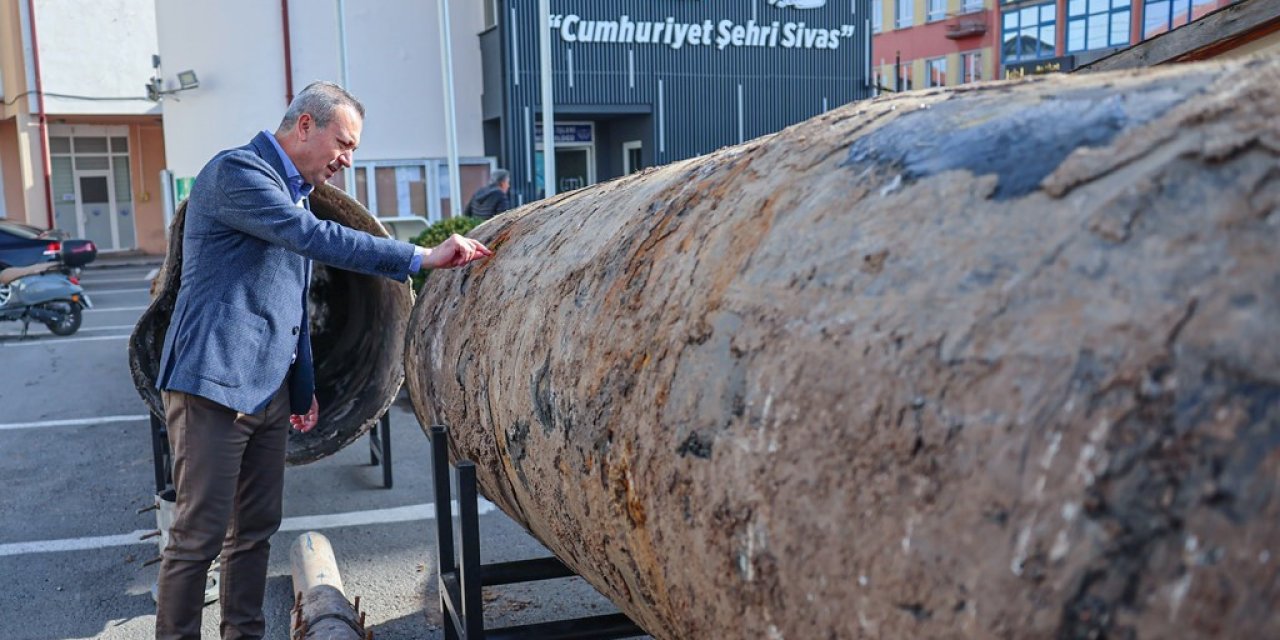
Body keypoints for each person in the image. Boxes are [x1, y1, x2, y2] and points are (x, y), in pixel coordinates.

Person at [152, 81, 491, 640]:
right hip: (212, 386)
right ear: (304, 125)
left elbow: (291, 307)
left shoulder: (296, 192)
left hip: (266, 392)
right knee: (199, 537)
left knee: (255, 531)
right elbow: (312, 239)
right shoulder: (237, 174)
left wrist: (302, 390)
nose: (347, 160)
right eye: (344, 143)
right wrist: (420, 256)